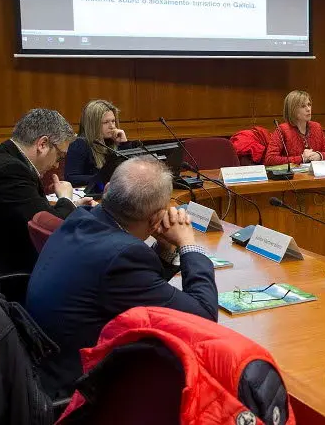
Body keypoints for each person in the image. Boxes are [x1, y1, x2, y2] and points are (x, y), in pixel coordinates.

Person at [25, 156, 218, 399]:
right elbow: (204, 319)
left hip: (46, 369)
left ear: (107, 190)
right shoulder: (122, 258)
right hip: (81, 392)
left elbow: (141, 285)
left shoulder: (81, 218)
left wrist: (167, 248)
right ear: (156, 218)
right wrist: (187, 244)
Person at [0, 109, 90, 277]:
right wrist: (65, 198)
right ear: (42, 144)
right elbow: (47, 229)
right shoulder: (9, 171)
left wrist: (72, 205)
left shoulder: (1, 155)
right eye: (59, 157)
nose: (57, 166)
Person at [65, 99, 129, 187]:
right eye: (106, 122)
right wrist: (100, 179)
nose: (112, 126)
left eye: (113, 121)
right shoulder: (79, 144)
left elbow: (129, 171)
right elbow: (71, 178)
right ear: (93, 124)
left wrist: (123, 143)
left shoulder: (112, 141)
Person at [264, 90, 325, 166]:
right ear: (293, 109)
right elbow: (270, 159)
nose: (308, 109)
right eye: (303, 106)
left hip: (315, 174)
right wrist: (302, 158)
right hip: (293, 176)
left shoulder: (316, 127)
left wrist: (319, 156)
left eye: (309, 104)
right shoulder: (282, 130)